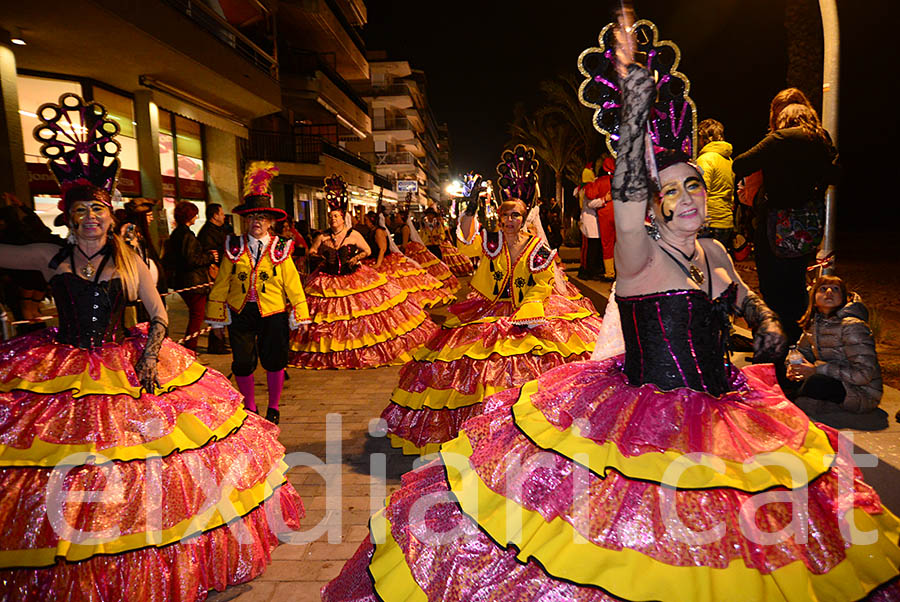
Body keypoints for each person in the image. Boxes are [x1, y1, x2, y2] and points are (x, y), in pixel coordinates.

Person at [323, 17, 900, 600]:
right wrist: (632, 112)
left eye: (694, 184)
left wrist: (766, 319)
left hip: (727, 408)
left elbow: (739, 295)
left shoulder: (717, 249)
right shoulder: (638, 253)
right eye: (669, 189)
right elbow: (624, 204)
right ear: (652, 202)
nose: (686, 198)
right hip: (649, 422)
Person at [0, 94, 303, 600]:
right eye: (81, 212)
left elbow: (158, 314)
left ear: (109, 213)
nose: (91, 219)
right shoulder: (47, 256)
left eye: (98, 209)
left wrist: (148, 354)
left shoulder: (132, 262)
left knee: (144, 458)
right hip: (62, 368)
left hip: (126, 361)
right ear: (68, 218)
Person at [381, 153, 603, 456]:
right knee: (472, 360)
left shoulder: (537, 247)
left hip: (530, 312)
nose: (509, 221)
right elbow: (465, 241)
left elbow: (543, 283)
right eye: (505, 216)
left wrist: (531, 309)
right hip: (488, 309)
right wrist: (468, 210)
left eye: (515, 216)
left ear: (524, 219)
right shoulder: (492, 242)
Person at [289, 175, 438, 369]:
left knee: (359, 316)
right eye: (331, 216)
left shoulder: (354, 234)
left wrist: (356, 258)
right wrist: (321, 257)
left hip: (353, 276)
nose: (333, 219)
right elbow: (311, 251)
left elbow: (367, 250)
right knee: (330, 318)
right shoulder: (323, 235)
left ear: (343, 218)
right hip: (328, 280)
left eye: (336, 216)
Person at [205, 162, 309, 425]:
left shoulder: (281, 247)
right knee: (241, 362)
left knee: (274, 360)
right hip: (241, 311)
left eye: (261, 218)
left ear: (271, 221)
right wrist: (216, 318)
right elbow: (221, 283)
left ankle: (273, 407)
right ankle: (250, 406)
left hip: (273, 311)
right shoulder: (234, 245)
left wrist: (300, 314)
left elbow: (292, 283)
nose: (256, 223)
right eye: (251, 217)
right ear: (245, 220)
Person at [733, 99, 838, 347]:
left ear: (784, 119)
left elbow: (741, 163)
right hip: (807, 224)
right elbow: (835, 174)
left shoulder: (779, 140)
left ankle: (777, 342)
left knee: (773, 286)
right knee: (797, 283)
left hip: (777, 223)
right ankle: (798, 340)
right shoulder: (821, 141)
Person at [788, 275, 886, 430]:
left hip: (862, 392)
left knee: (816, 382)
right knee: (781, 368)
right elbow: (802, 352)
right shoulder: (815, 323)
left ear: (843, 298)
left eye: (835, 289)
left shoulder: (852, 326)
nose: (829, 292)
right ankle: (795, 398)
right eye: (823, 288)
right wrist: (793, 366)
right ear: (814, 297)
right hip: (833, 380)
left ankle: (789, 401)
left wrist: (816, 370)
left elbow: (864, 375)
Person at [363, 210, 449, 309]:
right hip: (378, 258)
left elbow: (383, 248)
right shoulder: (379, 230)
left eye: (398, 217)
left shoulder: (385, 230)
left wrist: (378, 264)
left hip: (385, 259)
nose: (365, 222)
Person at [164, 201, 216, 352]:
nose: (196, 216)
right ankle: (190, 349)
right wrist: (210, 257)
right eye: (194, 214)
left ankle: (190, 348)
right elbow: (191, 259)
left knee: (196, 315)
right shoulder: (186, 235)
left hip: (184, 280)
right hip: (192, 281)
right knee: (197, 316)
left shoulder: (177, 234)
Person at [395, 201, 460, 301]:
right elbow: (420, 235)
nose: (430, 217)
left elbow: (443, 234)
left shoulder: (438, 223)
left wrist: (438, 238)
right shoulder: (422, 223)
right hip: (427, 246)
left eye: (431, 215)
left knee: (438, 265)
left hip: (436, 246)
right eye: (429, 215)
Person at [198, 202, 232, 354]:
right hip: (216, 275)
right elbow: (213, 254)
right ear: (215, 215)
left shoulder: (221, 230)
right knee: (216, 309)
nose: (224, 216)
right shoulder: (207, 233)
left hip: (223, 274)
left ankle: (221, 341)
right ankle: (216, 343)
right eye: (222, 213)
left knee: (223, 308)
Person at [696, 118, 735, 248]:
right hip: (726, 222)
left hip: (710, 223)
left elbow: (700, 192)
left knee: (702, 265)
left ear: (703, 137)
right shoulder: (728, 159)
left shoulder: (705, 159)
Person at [577, 160, 606, 280]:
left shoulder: (585, 187)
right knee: (590, 248)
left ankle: (590, 270)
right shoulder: (587, 188)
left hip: (592, 221)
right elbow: (591, 203)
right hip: (590, 222)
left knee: (591, 248)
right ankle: (588, 271)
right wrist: (605, 199)